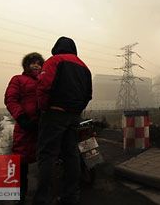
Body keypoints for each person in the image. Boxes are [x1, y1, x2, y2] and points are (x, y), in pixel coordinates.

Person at [34, 36, 92, 205]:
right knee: (71, 155)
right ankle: (70, 197)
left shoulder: (54, 61)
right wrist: (77, 109)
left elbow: (43, 86)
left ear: (56, 47)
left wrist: (44, 107)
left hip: (54, 114)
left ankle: (42, 199)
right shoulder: (84, 66)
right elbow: (88, 94)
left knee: (47, 155)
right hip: (74, 116)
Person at [4, 52, 45, 204]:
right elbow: (10, 99)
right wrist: (21, 118)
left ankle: (44, 194)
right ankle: (20, 194)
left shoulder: (45, 80)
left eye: (39, 63)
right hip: (25, 126)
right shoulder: (18, 79)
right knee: (21, 161)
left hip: (43, 127)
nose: (36, 65)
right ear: (26, 66)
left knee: (46, 160)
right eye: (32, 63)